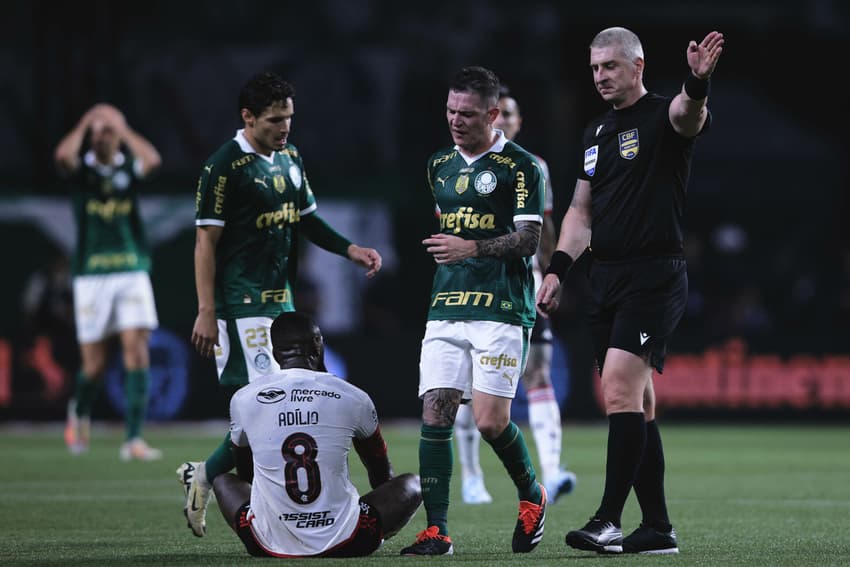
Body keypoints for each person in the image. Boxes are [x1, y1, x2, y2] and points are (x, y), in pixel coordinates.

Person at [537, 28, 724, 555]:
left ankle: (608, 521)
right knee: (637, 403)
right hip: (606, 278)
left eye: (610, 67)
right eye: (594, 68)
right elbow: (580, 212)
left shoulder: (664, 115)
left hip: (654, 275)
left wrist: (699, 81)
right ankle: (658, 527)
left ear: (637, 66)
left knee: (618, 388)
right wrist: (557, 270)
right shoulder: (595, 132)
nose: (599, 76)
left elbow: (691, 115)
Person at [177, 71, 382, 538]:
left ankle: (206, 476)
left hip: (280, 305)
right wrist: (206, 309)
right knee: (265, 410)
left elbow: (306, 219)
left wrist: (351, 250)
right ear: (247, 117)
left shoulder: (290, 157)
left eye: (288, 118)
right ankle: (213, 480)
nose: (284, 128)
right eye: (273, 120)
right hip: (239, 305)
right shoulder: (224, 167)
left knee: (273, 414)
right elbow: (205, 243)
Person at [400, 66, 547, 556]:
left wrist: (472, 249)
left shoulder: (521, 166)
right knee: (435, 412)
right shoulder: (437, 164)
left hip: (502, 308)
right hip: (446, 305)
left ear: (492, 113)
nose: (455, 121)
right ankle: (437, 530)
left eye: (465, 113)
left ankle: (532, 496)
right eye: (449, 111)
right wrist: (458, 254)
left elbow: (529, 240)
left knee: (489, 422)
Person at [453, 86, 577, 505]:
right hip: (475, 285)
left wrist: (549, 273)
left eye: (510, 114)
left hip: (524, 283)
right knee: (469, 385)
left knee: (538, 371)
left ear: (518, 122)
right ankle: (471, 477)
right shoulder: (459, 164)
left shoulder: (534, 167)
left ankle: (554, 470)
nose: (502, 120)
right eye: (496, 113)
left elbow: (544, 226)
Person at [211, 311, 421, 557]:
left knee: (223, 481)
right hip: (348, 540)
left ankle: (279, 532)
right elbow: (380, 471)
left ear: (275, 353)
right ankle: (374, 536)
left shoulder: (244, 398)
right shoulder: (353, 396)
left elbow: (246, 475)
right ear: (318, 344)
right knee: (412, 483)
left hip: (266, 543)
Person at [54, 102, 163, 461]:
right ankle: (79, 410)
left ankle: (133, 439)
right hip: (91, 275)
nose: (101, 136)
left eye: (107, 130)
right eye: (96, 132)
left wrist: (122, 125)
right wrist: (87, 121)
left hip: (131, 269)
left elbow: (153, 160)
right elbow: (62, 155)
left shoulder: (128, 169)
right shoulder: (81, 171)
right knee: (95, 366)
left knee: (137, 349)